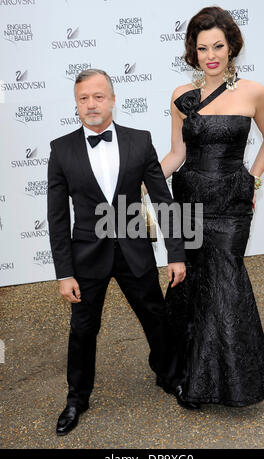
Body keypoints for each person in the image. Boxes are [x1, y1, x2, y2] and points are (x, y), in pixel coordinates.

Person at [47, 69, 186, 435]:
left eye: (98, 96)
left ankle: (169, 376)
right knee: (82, 330)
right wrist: (64, 273)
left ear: (112, 98)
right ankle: (77, 397)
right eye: (83, 98)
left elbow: (163, 201)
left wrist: (177, 254)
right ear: (76, 104)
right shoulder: (61, 149)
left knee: (156, 316)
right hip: (86, 256)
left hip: (133, 247)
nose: (91, 104)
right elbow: (58, 217)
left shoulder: (140, 141)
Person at [159, 6, 264, 408]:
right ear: (193, 50)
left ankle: (230, 382)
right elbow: (177, 153)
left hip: (231, 202)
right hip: (189, 199)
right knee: (191, 283)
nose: (211, 55)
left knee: (224, 282)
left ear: (231, 48)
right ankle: (188, 372)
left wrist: (254, 178)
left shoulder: (253, 92)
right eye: (202, 47)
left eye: (218, 46)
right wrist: (144, 180)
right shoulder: (181, 97)